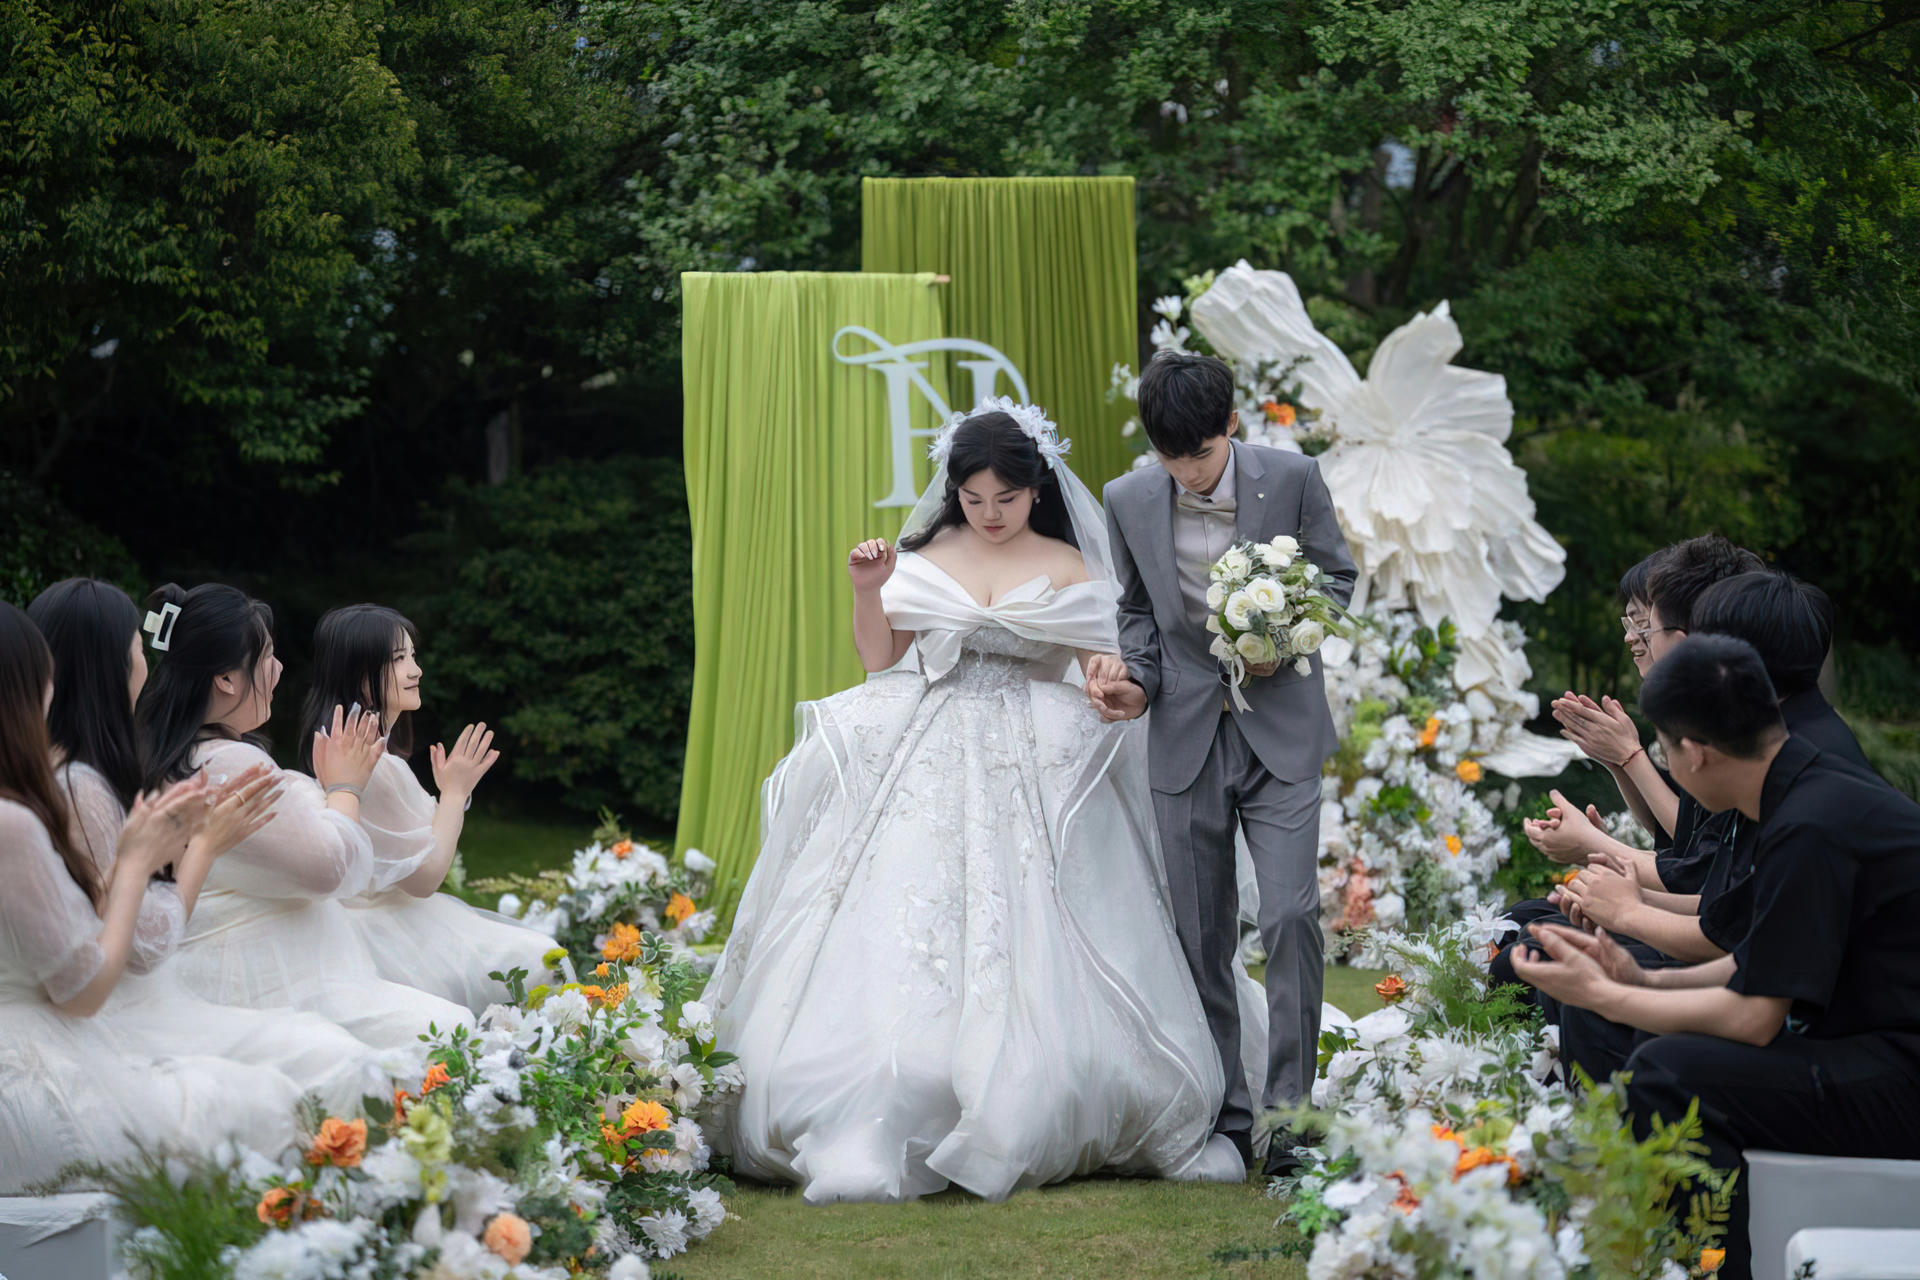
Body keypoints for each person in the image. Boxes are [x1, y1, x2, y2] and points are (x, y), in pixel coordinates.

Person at [705, 402, 1228, 1203]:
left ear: (1035, 490)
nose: (989, 514)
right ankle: (879, 1087)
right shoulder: (924, 553)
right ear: (954, 491)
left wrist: (1105, 675)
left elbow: (1103, 662)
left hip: (1034, 745)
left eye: (1005, 499)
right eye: (974, 498)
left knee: (1043, 908)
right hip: (926, 737)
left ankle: (1043, 1077)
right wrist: (868, 589)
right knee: (898, 903)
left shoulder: (1069, 561)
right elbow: (879, 658)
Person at [1513, 635, 1920, 1280]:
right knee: (1650, 1036)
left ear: (1694, 752)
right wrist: (1637, 978)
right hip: (1866, 1037)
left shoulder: (1808, 820)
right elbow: (1759, 956)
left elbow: (1755, 1016)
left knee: (1670, 1074)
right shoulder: (1801, 786)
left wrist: (1606, 993)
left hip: (1900, 1070)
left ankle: (1702, 1267)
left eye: (1664, 750)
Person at [1090, 350, 1358, 1175]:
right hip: (1184, 734)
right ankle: (1229, 1118)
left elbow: (1336, 577)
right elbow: (1137, 611)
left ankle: (1292, 1121)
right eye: (1170, 458)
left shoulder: (1295, 477)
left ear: (1232, 425)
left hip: (1281, 732)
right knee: (1202, 936)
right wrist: (1135, 681)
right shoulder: (1126, 498)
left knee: (1289, 917)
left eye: (1200, 456)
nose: (1187, 474)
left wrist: (1285, 636)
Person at [24, 578, 389, 1110]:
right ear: (111, 668)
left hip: (147, 989)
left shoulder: (87, 770)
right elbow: (141, 944)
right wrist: (205, 847)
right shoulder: (86, 786)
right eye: (137, 650)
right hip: (128, 1010)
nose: (149, 665)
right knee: (330, 1063)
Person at [0, 603, 307, 1189]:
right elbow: (84, 989)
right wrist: (150, 861)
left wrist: (132, 866)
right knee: (267, 1102)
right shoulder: (26, 815)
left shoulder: (47, 792)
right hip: (29, 1079)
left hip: (45, 1050)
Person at [136, 583, 473, 1051]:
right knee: (454, 1031)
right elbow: (332, 870)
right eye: (267, 656)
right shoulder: (232, 766)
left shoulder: (180, 756)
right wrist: (345, 788)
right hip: (268, 978)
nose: (279, 669)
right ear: (227, 678)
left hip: (248, 965)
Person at [300, 603, 550, 1013]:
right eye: (399, 659)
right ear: (359, 673)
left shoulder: (351, 751)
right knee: (542, 961)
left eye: (413, 655)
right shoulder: (375, 767)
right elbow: (426, 878)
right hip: (386, 932)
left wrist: (453, 793)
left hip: (380, 921)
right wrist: (454, 794)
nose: (415, 670)